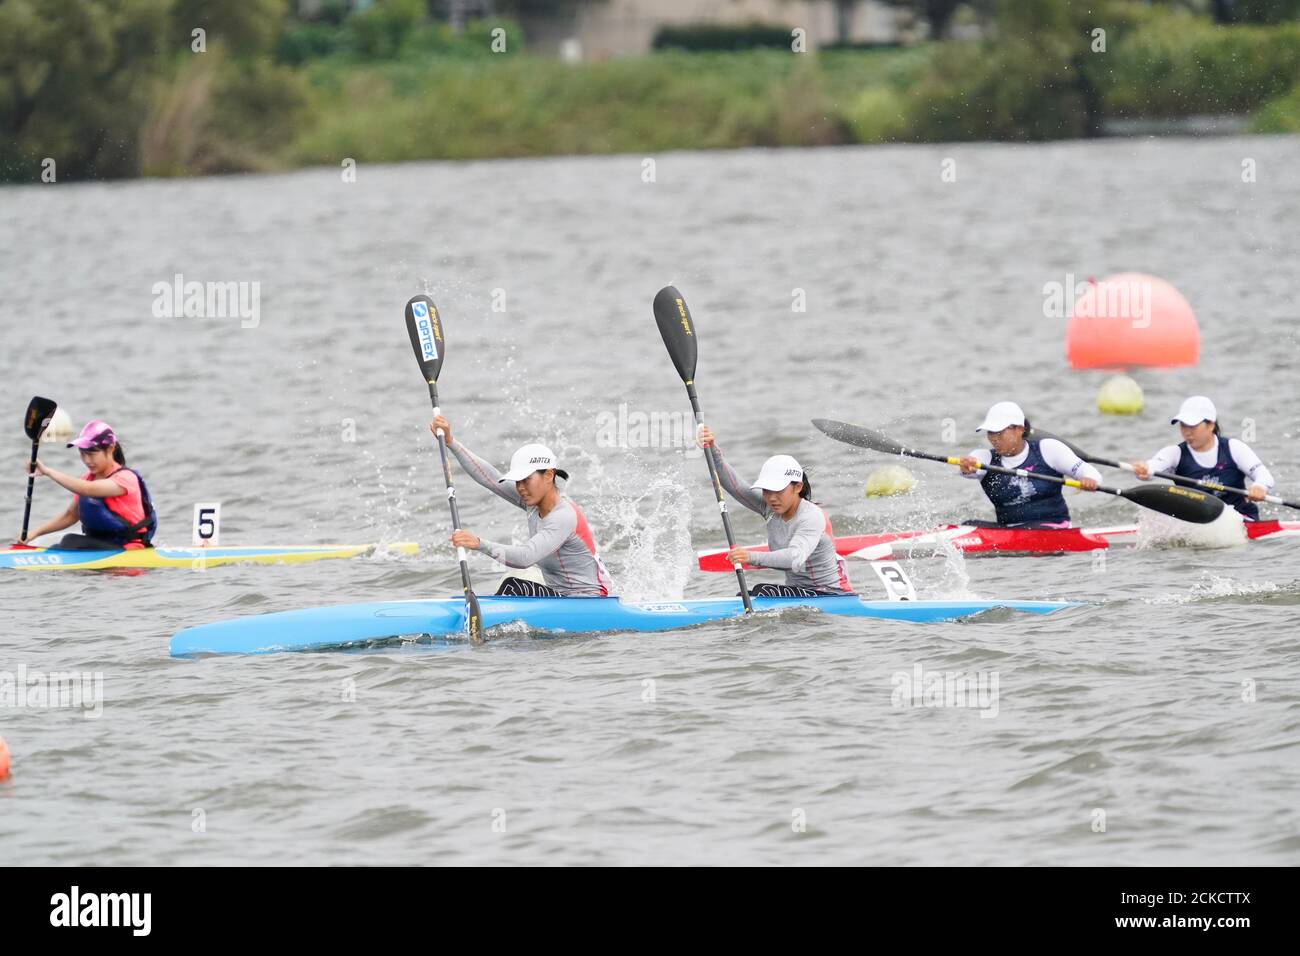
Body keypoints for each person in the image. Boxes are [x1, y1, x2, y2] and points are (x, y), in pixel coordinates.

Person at [432, 416, 613, 597]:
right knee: (511, 582)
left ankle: (481, 621)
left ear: (549, 475)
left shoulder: (563, 516)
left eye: (526, 480)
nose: (521, 488)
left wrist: (479, 544)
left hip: (585, 602)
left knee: (512, 586)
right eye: (517, 481)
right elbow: (491, 478)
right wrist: (451, 442)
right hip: (562, 598)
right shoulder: (533, 501)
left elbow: (525, 557)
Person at [696, 425, 853, 597]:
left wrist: (749, 557)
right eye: (766, 490)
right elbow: (736, 487)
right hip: (800, 592)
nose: (771, 498)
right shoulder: (770, 508)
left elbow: (794, 558)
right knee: (750, 594)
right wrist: (712, 450)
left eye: (778, 491)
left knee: (758, 593)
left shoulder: (811, 517)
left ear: (797, 487)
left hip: (831, 594)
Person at [957, 401, 1100, 528]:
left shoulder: (1048, 449)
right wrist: (967, 467)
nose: (994, 439)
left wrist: (1088, 480)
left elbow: (1087, 471)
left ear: (1019, 429)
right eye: (990, 433)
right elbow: (971, 467)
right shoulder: (985, 458)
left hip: (1052, 527)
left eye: (999, 433)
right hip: (1009, 530)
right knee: (967, 526)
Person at [19, 420, 157, 549]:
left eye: (91, 454)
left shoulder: (126, 478)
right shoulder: (87, 478)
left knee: (69, 541)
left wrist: (48, 471)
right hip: (100, 545)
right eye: (82, 454)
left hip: (129, 547)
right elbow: (71, 515)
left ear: (110, 449)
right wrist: (34, 533)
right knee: (66, 542)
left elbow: (88, 489)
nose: (86, 460)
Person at [1132, 396, 1273, 520]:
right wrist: (1145, 469)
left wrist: (1259, 487)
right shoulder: (1175, 453)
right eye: (1183, 426)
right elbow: (1154, 467)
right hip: (1196, 522)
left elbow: (1264, 475)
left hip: (1240, 517)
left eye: (1192, 426)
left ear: (1211, 424)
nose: (1187, 432)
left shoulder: (1233, 448)